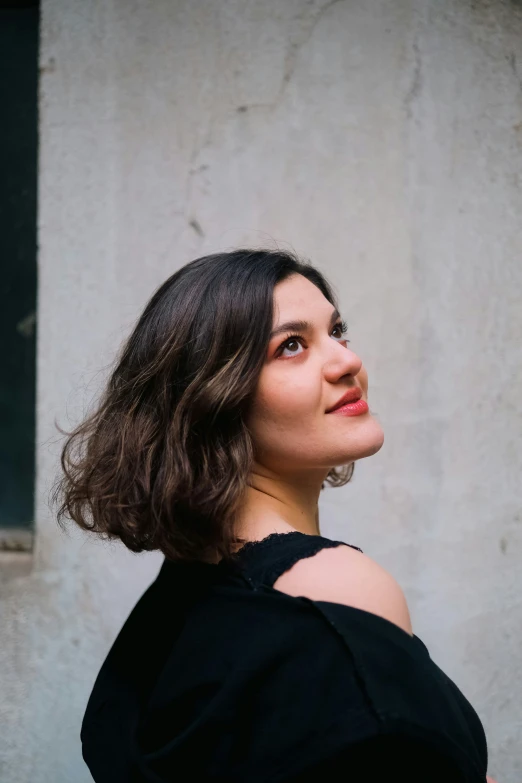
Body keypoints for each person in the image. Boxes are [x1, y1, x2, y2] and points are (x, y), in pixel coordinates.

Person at [52, 248, 497, 782]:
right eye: (291, 346)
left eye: (338, 331)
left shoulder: (176, 599)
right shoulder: (337, 590)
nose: (346, 360)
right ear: (214, 400)